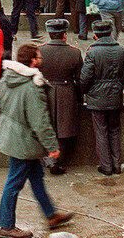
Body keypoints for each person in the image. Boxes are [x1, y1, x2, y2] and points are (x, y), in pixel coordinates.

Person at [0, 43, 73, 238]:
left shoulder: (7, 78)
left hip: (11, 136)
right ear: (32, 61)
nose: (41, 59)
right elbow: (40, 121)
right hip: (24, 142)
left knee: (36, 177)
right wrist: (52, 146)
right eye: (39, 57)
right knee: (14, 183)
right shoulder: (33, 86)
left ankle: (51, 215)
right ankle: (6, 226)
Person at [80, 19, 124, 176]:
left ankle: (106, 166)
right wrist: (119, 85)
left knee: (101, 132)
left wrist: (87, 91)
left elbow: (85, 78)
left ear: (95, 35)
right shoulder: (123, 51)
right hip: (115, 96)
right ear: (110, 34)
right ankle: (117, 165)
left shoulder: (92, 52)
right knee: (114, 131)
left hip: (97, 98)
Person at [37, 19, 82, 175]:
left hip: (45, 91)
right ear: (64, 34)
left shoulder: (40, 51)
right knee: (64, 129)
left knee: (47, 125)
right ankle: (57, 160)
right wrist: (80, 97)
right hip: (67, 92)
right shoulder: (75, 53)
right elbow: (80, 79)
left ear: (49, 34)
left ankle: (50, 159)